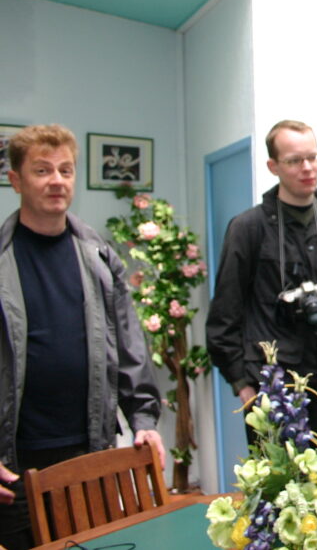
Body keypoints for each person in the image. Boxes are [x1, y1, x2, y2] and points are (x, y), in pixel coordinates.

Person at [0, 124, 164, 550]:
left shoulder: (98, 257)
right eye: (42, 170)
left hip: (91, 457)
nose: (56, 180)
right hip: (13, 465)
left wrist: (144, 422)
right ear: (16, 179)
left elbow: (130, 347)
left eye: (66, 170)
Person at [206, 120, 317, 482]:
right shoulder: (249, 228)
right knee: (282, 498)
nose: (307, 168)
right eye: (294, 161)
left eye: (313, 158)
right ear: (273, 166)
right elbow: (225, 313)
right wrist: (241, 383)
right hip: (277, 389)